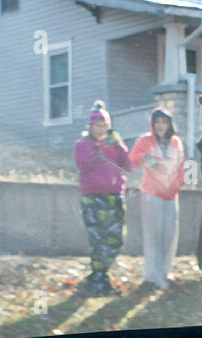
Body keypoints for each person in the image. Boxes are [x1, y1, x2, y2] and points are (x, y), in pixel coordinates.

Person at [73, 101, 133, 294]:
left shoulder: (114, 144)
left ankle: (98, 275)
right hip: (92, 196)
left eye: (105, 126)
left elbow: (128, 166)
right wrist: (98, 147)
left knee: (116, 239)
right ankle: (99, 279)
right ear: (91, 126)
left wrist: (120, 146)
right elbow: (84, 166)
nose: (102, 130)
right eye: (99, 126)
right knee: (97, 239)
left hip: (114, 195)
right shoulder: (82, 144)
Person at [127, 108, 184, 289]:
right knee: (153, 235)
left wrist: (177, 185)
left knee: (169, 234)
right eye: (157, 122)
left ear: (169, 124)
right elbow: (132, 160)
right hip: (151, 194)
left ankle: (165, 271)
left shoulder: (176, 142)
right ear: (152, 124)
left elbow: (181, 167)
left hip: (171, 194)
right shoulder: (145, 140)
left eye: (164, 122)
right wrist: (144, 157)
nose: (161, 126)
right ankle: (153, 275)